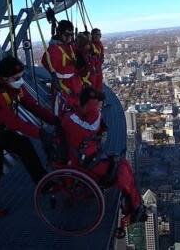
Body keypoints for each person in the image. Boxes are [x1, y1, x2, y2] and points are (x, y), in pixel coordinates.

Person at [0, 56, 56, 221]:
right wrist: (41, 134)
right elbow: (13, 122)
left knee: (22, 148)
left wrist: (56, 121)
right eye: (17, 78)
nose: (20, 80)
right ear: (4, 78)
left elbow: (33, 107)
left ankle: (44, 184)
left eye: (21, 76)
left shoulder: (14, 87)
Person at [60, 87, 147, 225]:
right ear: (90, 105)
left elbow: (95, 130)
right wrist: (96, 111)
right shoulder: (72, 119)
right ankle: (133, 209)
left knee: (124, 165)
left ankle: (135, 203)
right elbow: (91, 128)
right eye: (98, 106)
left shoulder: (79, 116)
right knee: (121, 173)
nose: (99, 110)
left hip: (92, 155)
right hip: (85, 161)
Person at [41, 20, 82, 115]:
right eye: (67, 35)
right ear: (59, 33)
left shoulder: (68, 46)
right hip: (63, 90)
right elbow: (55, 72)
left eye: (71, 35)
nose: (69, 38)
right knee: (62, 114)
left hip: (73, 87)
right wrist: (74, 67)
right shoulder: (53, 50)